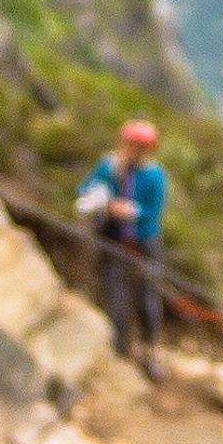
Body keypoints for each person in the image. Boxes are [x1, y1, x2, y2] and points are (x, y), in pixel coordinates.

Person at [70, 117, 170, 370]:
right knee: (116, 294)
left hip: (144, 241)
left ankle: (150, 351)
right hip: (113, 238)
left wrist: (131, 211)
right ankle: (119, 348)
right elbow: (86, 189)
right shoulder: (110, 166)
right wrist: (99, 200)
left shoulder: (155, 176)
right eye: (130, 144)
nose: (133, 150)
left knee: (147, 296)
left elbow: (152, 211)